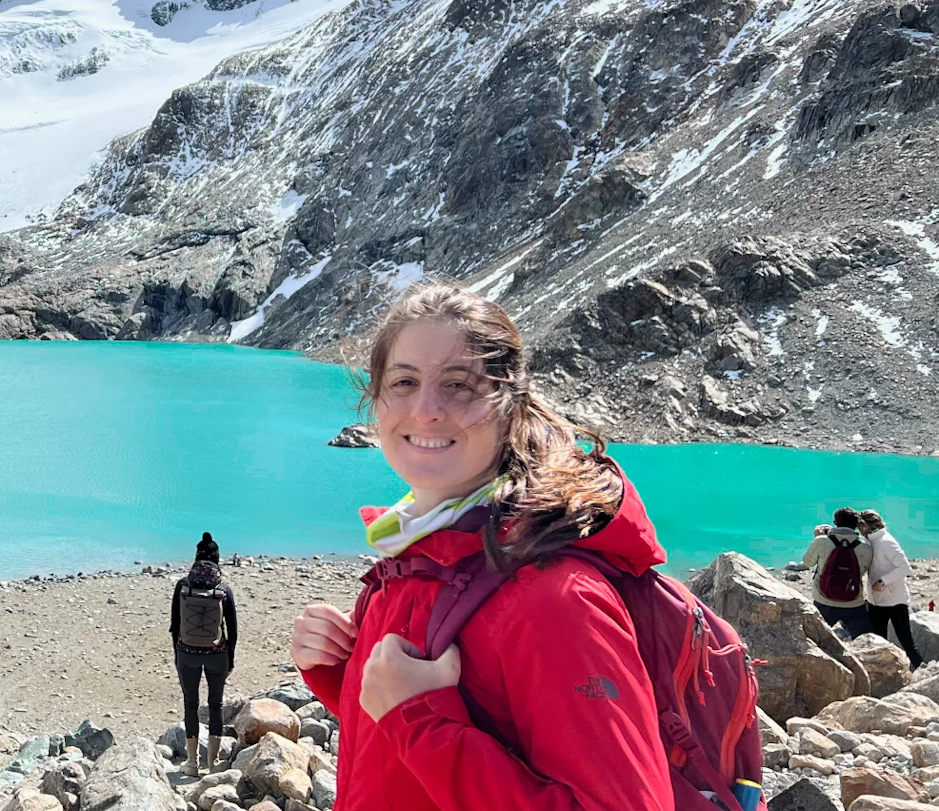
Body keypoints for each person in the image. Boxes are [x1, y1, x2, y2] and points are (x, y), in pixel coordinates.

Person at [290, 282, 686, 808]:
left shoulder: (554, 596)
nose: (426, 410)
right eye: (404, 381)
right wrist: (347, 673)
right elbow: (428, 751)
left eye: (459, 385)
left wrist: (419, 718)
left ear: (509, 405)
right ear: (376, 400)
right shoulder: (419, 555)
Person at [169, 531, 238, 775]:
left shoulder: (182, 586)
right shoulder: (223, 589)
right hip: (217, 654)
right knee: (216, 705)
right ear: (216, 561)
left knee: (190, 704)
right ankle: (212, 764)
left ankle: (191, 763)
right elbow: (232, 629)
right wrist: (229, 660)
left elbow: (174, 625)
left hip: (186, 653)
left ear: (196, 559)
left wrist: (178, 655)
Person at [859, 510, 924, 669]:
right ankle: (887, 677)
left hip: (895, 602)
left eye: (859, 525)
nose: (858, 530)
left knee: (907, 644)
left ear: (866, 525)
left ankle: (927, 672)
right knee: (878, 643)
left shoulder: (886, 541)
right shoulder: (871, 542)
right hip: (876, 601)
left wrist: (883, 581)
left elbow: (905, 567)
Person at [803, 507, 874, 636]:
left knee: (815, 638)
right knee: (867, 638)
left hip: (824, 600)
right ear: (856, 526)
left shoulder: (821, 542)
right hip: (853, 602)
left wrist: (817, 538)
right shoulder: (866, 548)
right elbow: (863, 572)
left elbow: (808, 562)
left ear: (835, 523)